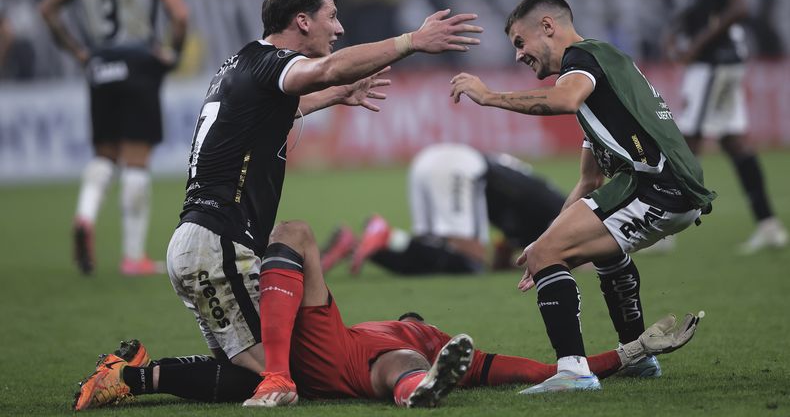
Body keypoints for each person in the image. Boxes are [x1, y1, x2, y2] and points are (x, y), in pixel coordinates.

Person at [158, 0, 481, 407]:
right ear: (303, 21)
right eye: (332, 16)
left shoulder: (242, 63)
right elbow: (327, 69)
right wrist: (412, 41)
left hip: (195, 243)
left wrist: (335, 96)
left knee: (244, 375)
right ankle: (131, 375)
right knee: (293, 374)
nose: (340, 28)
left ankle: (132, 375)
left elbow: (271, 112)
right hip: (219, 244)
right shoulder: (270, 63)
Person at [72, 218, 703, 410]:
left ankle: (135, 375)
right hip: (343, 354)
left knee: (292, 241)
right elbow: (527, 368)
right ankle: (134, 373)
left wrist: (625, 355)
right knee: (399, 359)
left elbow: (533, 370)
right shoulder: (414, 332)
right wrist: (625, 355)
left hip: (334, 354)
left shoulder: (413, 334)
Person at [449, 0, 716, 393]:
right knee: (592, 252)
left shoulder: (582, 59)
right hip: (673, 187)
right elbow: (589, 183)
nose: (519, 55)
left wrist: (488, 97)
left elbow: (564, 98)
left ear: (548, 27)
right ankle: (639, 357)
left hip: (655, 185)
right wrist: (546, 242)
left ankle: (573, 371)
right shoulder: (605, 80)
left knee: (547, 254)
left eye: (520, 43)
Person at [38, 0, 189, 275]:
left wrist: (76, 50)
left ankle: (85, 215)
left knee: (104, 154)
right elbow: (180, 15)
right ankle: (133, 256)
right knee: (136, 161)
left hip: (100, 63)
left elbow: (48, 8)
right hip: (138, 62)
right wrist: (172, 52)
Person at [666, 0, 787, 254]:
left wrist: (697, 44)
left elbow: (739, 6)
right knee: (734, 142)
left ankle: (665, 227)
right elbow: (701, 5)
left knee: (687, 140)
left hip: (717, 59)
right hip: (715, 59)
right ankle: (769, 225)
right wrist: (675, 29)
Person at [321, 143, 566, 275]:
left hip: (436, 160)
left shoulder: (543, 206)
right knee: (470, 263)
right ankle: (388, 236)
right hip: (460, 166)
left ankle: (360, 243)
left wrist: (503, 266)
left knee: (433, 256)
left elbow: (507, 247)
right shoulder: (561, 214)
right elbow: (570, 255)